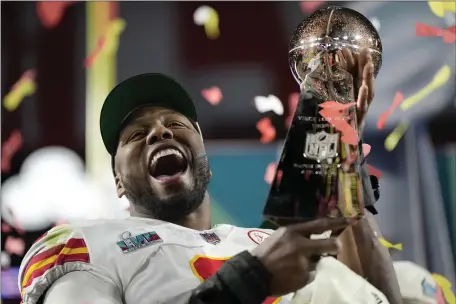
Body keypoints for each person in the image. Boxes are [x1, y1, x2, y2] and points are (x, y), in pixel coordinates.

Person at [18, 49, 402, 304]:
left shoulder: (269, 245)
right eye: (137, 135)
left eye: (175, 124)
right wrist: (250, 279)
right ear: (118, 180)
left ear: (204, 157)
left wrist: (346, 156)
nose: (160, 132)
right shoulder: (89, 245)